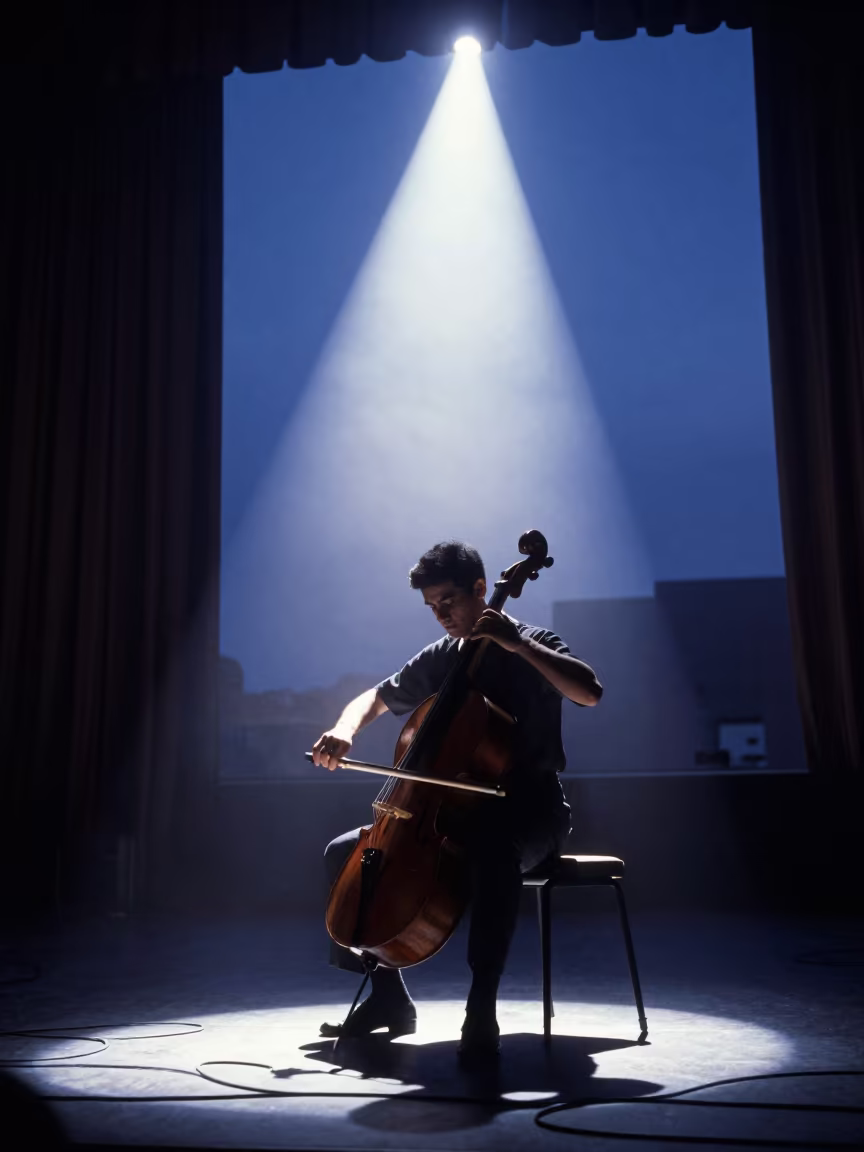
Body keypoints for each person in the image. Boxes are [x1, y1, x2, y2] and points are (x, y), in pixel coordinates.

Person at [311, 540, 602, 1057]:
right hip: (448, 814)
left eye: (449, 601)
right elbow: (375, 697)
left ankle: (482, 1004)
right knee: (346, 854)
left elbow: (589, 691)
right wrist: (343, 729)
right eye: (431, 607)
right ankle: (387, 999)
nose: (442, 615)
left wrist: (519, 646)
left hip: (529, 810)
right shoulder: (444, 657)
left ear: (481, 589)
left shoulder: (531, 641)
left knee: (494, 849)